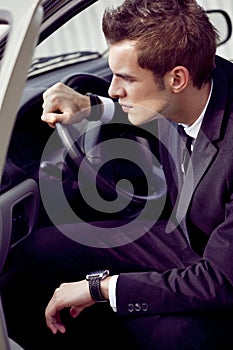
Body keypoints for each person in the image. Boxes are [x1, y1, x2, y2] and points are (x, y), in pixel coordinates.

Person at [7, 0, 233, 349]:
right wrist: (90, 106)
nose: (113, 88)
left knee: (177, 336)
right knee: (41, 250)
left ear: (177, 78)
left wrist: (99, 288)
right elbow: (156, 107)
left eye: (125, 78)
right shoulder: (199, 80)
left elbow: (220, 281)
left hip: (219, 270)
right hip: (189, 238)